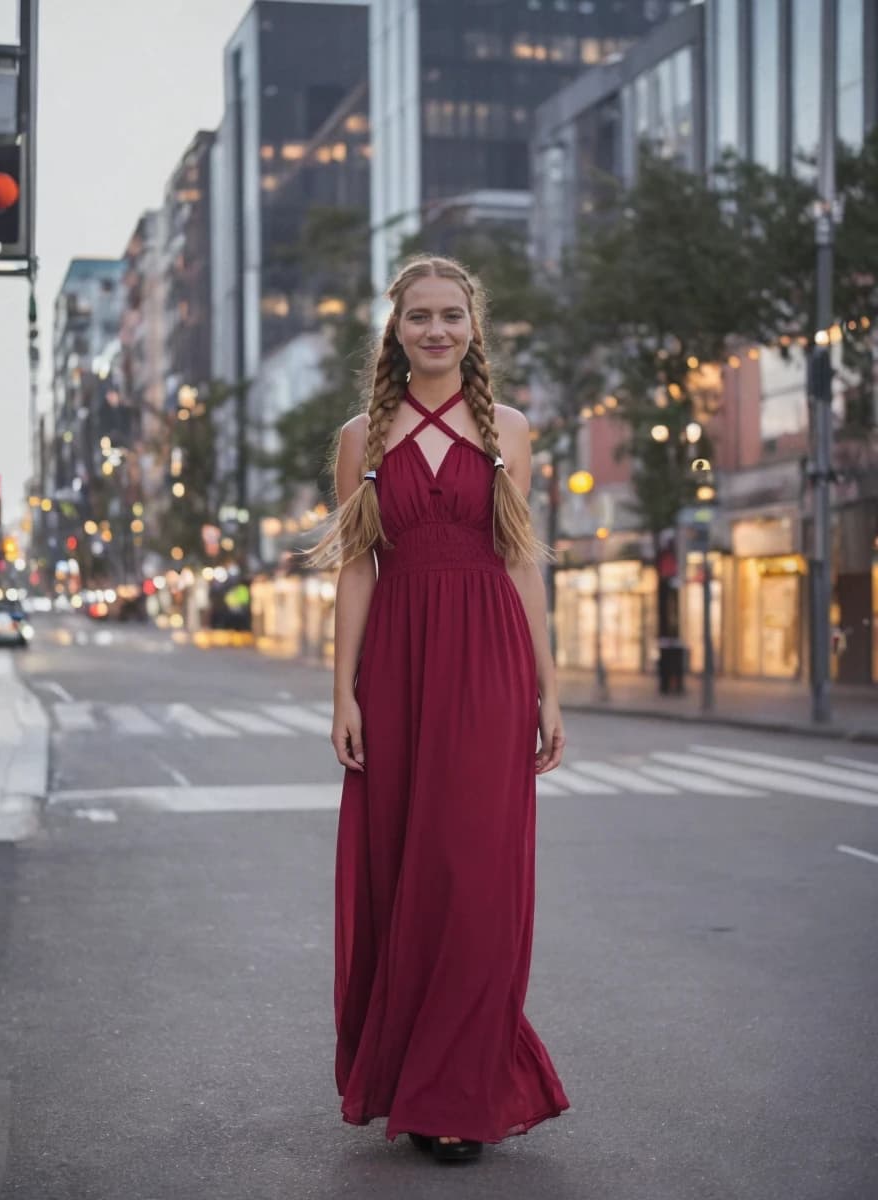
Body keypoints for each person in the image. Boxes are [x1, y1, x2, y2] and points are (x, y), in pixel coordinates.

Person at [311, 254, 570, 1164]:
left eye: (450, 316)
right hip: (398, 666)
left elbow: (522, 561)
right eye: (417, 316)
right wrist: (341, 689)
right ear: (395, 330)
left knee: (474, 874)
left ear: (474, 326)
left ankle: (460, 1091)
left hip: (489, 663)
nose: (434, 331)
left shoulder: (512, 431)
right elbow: (354, 570)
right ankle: (413, 1081)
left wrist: (547, 686)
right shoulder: (361, 439)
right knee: (403, 871)